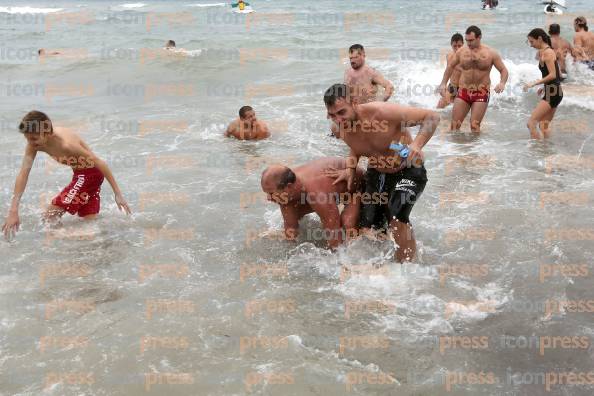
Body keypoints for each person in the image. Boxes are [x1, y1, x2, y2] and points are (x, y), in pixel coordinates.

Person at [323, 83, 439, 262]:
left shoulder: (384, 113)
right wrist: (350, 169)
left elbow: (432, 116)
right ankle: (377, 268)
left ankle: (407, 270)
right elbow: (358, 144)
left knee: (396, 216)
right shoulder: (338, 128)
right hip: (377, 174)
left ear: (354, 103)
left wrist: (417, 144)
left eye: (341, 112)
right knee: (369, 228)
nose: (338, 120)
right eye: (332, 115)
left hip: (408, 169)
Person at [2, 111, 131, 240]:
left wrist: (118, 194)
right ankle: (108, 240)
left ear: (47, 133)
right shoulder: (34, 145)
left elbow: (98, 162)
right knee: (88, 223)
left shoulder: (66, 145)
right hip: (82, 175)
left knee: (49, 218)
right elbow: (23, 174)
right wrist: (13, 210)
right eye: (27, 138)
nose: (30, 142)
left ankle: (65, 242)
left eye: (34, 138)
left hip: (89, 175)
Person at [260, 157, 363, 249]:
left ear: (288, 187)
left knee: (348, 223)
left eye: (271, 193)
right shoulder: (285, 194)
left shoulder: (316, 194)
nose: (268, 198)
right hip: (332, 191)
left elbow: (335, 238)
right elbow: (291, 231)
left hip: (358, 186)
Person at [438, 26, 508, 133]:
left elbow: (503, 70)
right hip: (464, 91)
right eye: (467, 41)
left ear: (479, 37)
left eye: (471, 40)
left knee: (474, 127)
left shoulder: (490, 53)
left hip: (481, 92)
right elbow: (450, 67)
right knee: (454, 126)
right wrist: (443, 83)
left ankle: (475, 149)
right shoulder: (461, 51)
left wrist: (502, 83)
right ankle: (456, 149)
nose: (469, 43)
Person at [523, 29, 563, 139]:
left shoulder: (548, 52)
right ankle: (546, 150)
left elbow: (553, 75)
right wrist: (544, 86)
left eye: (532, 42)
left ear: (539, 39)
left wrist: (534, 83)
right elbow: (556, 74)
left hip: (553, 92)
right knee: (543, 126)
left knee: (531, 123)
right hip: (554, 91)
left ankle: (536, 152)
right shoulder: (544, 52)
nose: (531, 45)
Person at [437, 33, 464, 109]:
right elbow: (448, 71)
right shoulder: (449, 56)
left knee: (459, 108)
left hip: (464, 88)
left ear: (463, 45)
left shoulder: (467, 58)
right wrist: (443, 84)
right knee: (440, 105)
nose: (457, 48)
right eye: (454, 46)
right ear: (451, 45)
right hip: (452, 86)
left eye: (459, 46)